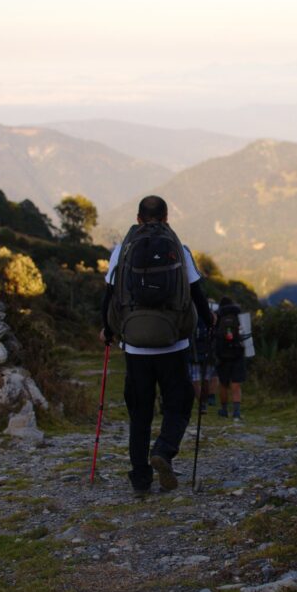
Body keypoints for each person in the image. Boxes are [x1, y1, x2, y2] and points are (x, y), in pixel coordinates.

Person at [100, 195, 215, 496]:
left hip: (135, 347)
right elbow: (196, 293)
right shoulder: (180, 248)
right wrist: (210, 323)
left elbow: (109, 295)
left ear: (138, 219)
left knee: (140, 414)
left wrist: (106, 329)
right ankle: (163, 450)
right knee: (179, 403)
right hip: (173, 344)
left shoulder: (120, 251)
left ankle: (140, 480)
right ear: (166, 218)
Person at [214, 296, 246, 420]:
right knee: (236, 383)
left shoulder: (218, 316)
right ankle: (237, 412)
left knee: (223, 384)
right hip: (238, 354)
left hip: (222, 355)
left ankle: (224, 410)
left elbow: (213, 335)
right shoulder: (239, 316)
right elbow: (246, 334)